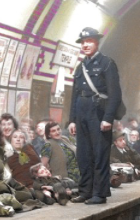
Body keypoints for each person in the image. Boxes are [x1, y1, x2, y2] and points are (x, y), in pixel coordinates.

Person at [67, 26, 122, 204]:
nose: (86, 45)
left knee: (99, 154)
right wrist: (72, 120)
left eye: (89, 41)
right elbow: (74, 94)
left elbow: (115, 95)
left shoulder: (107, 63)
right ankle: (86, 191)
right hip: (82, 111)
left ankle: (100, 193)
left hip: (98, 113)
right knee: (83, 154)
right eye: (83, 42)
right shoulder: (81, 67)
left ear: (97, 42)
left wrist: (108, 118)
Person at [42, 120, 79, 184]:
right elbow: (43, 166)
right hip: (62, 181)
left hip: (77, 178)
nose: (57, 132)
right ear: (49, 134)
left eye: (58, 129)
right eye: (53, 131)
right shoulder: (48, 145)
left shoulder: (65, 139)